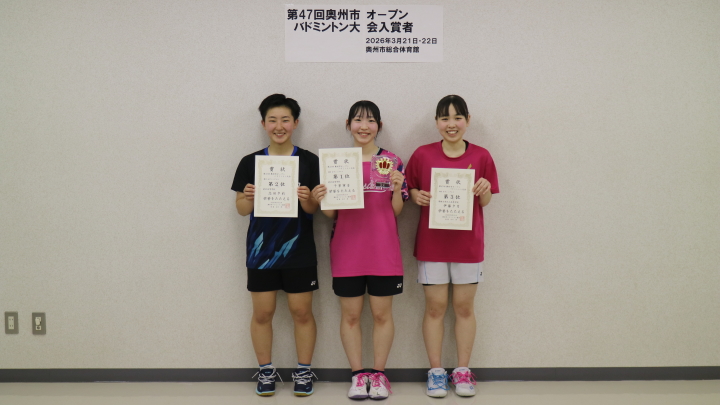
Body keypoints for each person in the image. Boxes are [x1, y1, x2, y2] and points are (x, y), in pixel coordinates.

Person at [311, 100, 408, 400]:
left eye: (370, 121)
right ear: (348, 125)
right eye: (357, 120)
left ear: (379, 126)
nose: (364, 126)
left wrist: (397, 188)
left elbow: (396, 211)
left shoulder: (392, 161)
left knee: (382, 315)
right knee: (350, 316)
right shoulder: (336, 162)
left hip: (383, 250)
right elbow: (331, 214)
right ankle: (357, 376)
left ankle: (378, 376)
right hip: (347, 250)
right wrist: (321, 198)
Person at [405, 95, 499, 398]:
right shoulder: (422, 154)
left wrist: (484, 189)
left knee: (464, 308)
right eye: (444, 118)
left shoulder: (482, 156)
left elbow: (486, 200)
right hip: (431, 244)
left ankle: (462, 371)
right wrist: (416, 195)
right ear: (436, 122)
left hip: (467, 246)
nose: (451, 124)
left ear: (467, 120)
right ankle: (436, 372)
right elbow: (410, 189)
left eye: (458, 117)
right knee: (435, 308)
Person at [231, 94, 320, 397]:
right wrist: (248, 196)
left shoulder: (309, 161)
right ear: (263, 124)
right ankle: (266, 371)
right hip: (261, 252)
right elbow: (241, 208)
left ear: (295, 123)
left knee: (302, 312)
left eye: (285, 120)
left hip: (300, 250)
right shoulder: (250, 162)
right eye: (272, 120)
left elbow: (314, 209)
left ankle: (304, 372)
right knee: (262, 313)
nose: (279, 126)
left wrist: (307, 198)